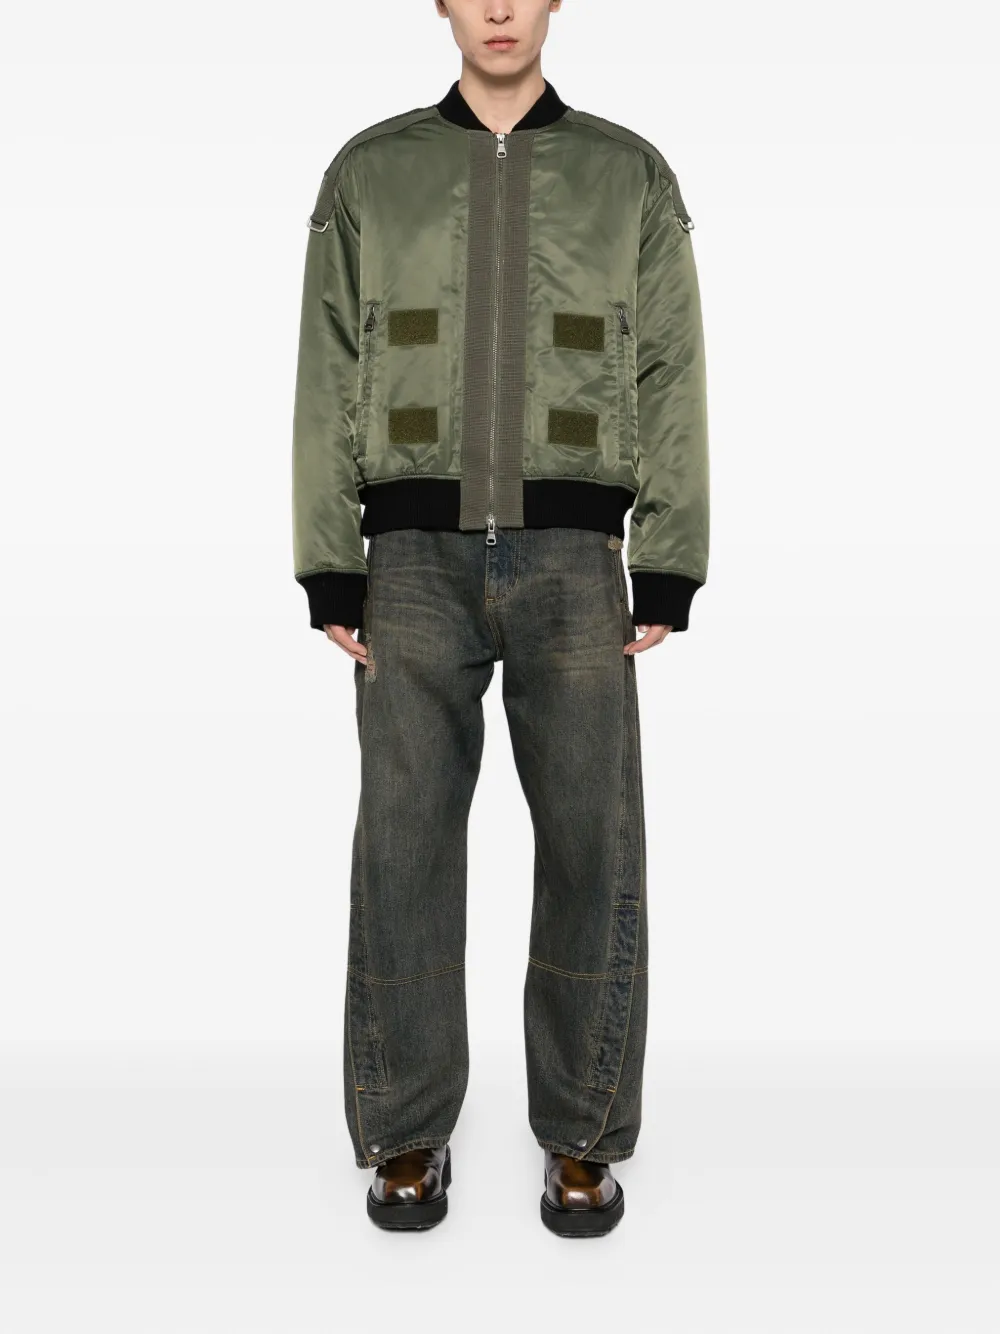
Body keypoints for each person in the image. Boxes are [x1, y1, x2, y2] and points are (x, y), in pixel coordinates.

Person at [291, 0, 709, 1238]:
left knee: (593, 845)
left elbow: (671, 368)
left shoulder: (628, 174)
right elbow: (326, 365)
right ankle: (405, 1130)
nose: (498, 8)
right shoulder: (371, 172)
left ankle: (582, 1133)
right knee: (402, 847)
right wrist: (330, 562)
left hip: (575, 559)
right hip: (409, 559)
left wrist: (667, 558)